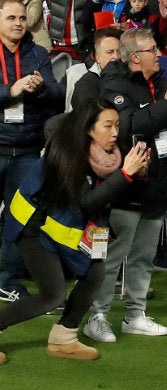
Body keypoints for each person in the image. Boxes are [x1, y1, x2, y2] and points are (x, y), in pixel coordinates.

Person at [0, 99, 150, 364]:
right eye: (107, 126)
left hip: (68, 228)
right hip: (33, 225)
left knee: (95, 272)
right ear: (89, 129)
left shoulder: (112, 153)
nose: (115, 132)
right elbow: (87, 201)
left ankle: (64, 337)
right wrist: (126, 174)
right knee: (52, 294)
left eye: (117, 125)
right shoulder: (66, 152)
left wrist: (137, 175)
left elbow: (110, 195)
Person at [83, 27, 167, 343]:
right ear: (135, 56)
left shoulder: (160, 83)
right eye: (153, 50)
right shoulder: (114, 83)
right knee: (110, 258)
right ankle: (98, 315)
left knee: (144, 257)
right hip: (124, 186)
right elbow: (131, 126)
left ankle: (135, 315)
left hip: (158, 182)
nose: (159, 54)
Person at [0, 0, 64, 303]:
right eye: (11, 17)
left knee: (19, 219)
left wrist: (40, 87)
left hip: (26, 150)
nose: (18, 23)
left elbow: (58, 94)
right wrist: (10, 91)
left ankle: (7, 280)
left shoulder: (37, 53)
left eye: (22, 17)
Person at [64, 26, 122, 112]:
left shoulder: (129, 76)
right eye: (110, 52)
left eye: (119, 52)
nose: (116, 57)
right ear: (97, 57)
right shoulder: (87, 84)